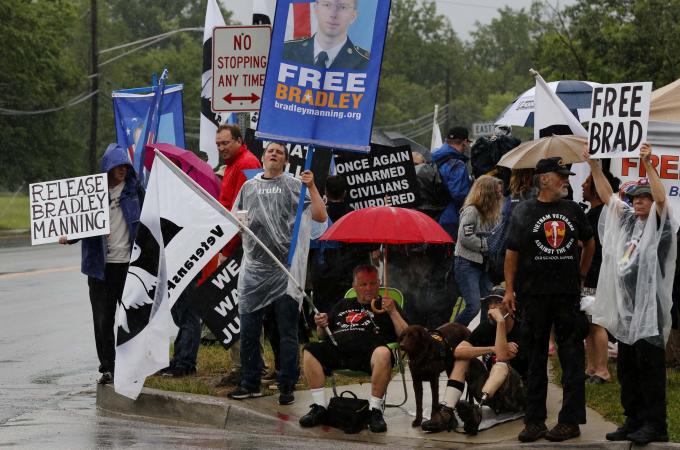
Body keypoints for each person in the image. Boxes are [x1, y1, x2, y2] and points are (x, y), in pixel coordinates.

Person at [586, 144, 676, 445]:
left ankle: (655, 424)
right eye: (635, 197)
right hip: (628, 310)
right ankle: (633, 419)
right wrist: (594, 165)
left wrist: (649, 165)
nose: (638, 201)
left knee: (649, 368)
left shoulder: (660, 225)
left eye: (644, 198)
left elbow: (662, 200)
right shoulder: (628, 222)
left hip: (650, 312)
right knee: (627, 368)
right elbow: (608, 198)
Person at [227, 142, 327, 405]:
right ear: (263, 157)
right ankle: (250, 383)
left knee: (286, 332)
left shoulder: (295, 185)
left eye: (279, 152)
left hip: (285, 272)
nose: (274, 154)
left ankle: (287, 384)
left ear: (286, 161)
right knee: (249, 331)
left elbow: (320, 216)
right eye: (270, 151)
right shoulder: (248, 187)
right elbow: (237, 219)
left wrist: (312, 186)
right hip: (254, 271)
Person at [503, 156, 595, 442]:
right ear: (543, 179)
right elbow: (512, 252)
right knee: (534, 358)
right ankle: (534, 420)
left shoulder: (572, 209)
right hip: (533, 295)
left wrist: (581, 274)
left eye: (566, 176)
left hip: (566, 295)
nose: (566, 180)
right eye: (561, 176)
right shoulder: (524, 210)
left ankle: (570, 421)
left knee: (572, 358)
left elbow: (590, 242)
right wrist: (509, 290)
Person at [59, 143, 143, 385]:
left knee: (133, 318)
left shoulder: (135, 190)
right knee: (103, 320)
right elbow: (79, 223)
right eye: (118, 166)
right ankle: (109, 367)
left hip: (129, 266)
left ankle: (134, 366)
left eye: (125, 165)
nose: (123, 170)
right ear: (108, 167)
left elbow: (149, 219)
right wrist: (68, 237)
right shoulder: (91, 193)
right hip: (100, 268)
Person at [298, 265, 408, 432]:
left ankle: (375, 411)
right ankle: (319, 408)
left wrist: (393, 312)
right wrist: (321, 325)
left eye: (372, 283)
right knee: (310, 350)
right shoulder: (343, 304)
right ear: (354, 286)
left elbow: (406, 335)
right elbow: (322, 336)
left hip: (369, 353)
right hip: (339, 350)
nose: (368, 288)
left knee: (383, 353)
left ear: (379, 283)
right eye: (363, 284)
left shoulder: (386, 305)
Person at [422, 287, 527, 434]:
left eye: (498, 302)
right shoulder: (487, 327)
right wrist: (491, 348)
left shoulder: (522, 329)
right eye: (490, 303)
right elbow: (458, 351)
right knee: (463, 359)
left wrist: (501, 322)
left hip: (518, 396)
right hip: (492, 396)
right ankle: (447, 413)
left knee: (501, 365)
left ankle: (477, 410)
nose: (492, 307)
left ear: (511, 306)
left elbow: (502, 356)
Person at [214, 124, 261, 387]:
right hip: (233, 244)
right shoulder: (233, 164)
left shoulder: (246, 163)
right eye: (218, 144)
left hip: (240, 246)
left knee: (241, 308)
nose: (221, 148)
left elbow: (241, 214)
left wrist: (226, 249)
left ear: (239, 141)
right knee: (235, 307)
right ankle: (243, 365)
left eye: (225, 143)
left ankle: (248, 366)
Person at [581, 172, 620, 384]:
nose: (582, 185)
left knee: (597, 323)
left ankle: (602, 370)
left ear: (596, 189)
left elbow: (588, 243)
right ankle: (591, 366)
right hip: (593, 274)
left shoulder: (599, 214)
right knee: (589, 323)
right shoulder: (595, 213)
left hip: (596, 274)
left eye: (587, 182)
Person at [453, 175, 503, 326]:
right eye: (497, 192)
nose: (500, 195)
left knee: (488, 304)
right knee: (473, 306)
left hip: (483, 265)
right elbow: (465, 237)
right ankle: (450, 334)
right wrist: (487, 245)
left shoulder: (493, 213)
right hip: (466, 264)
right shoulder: (471, 211)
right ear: (487, 193)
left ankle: (483, 335)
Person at [283, 0, 369, 71]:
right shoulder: (285, 51)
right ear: (316, 8)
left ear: (353, 16)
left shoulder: (366, 64)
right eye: (327, 5)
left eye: (343, 7)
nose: (333, 14)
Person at [431, 126, 472, 241]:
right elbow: (459, 195)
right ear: (464, 142)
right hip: (450, 218)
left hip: (432, 215)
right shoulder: (457, 164)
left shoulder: (432, 157)